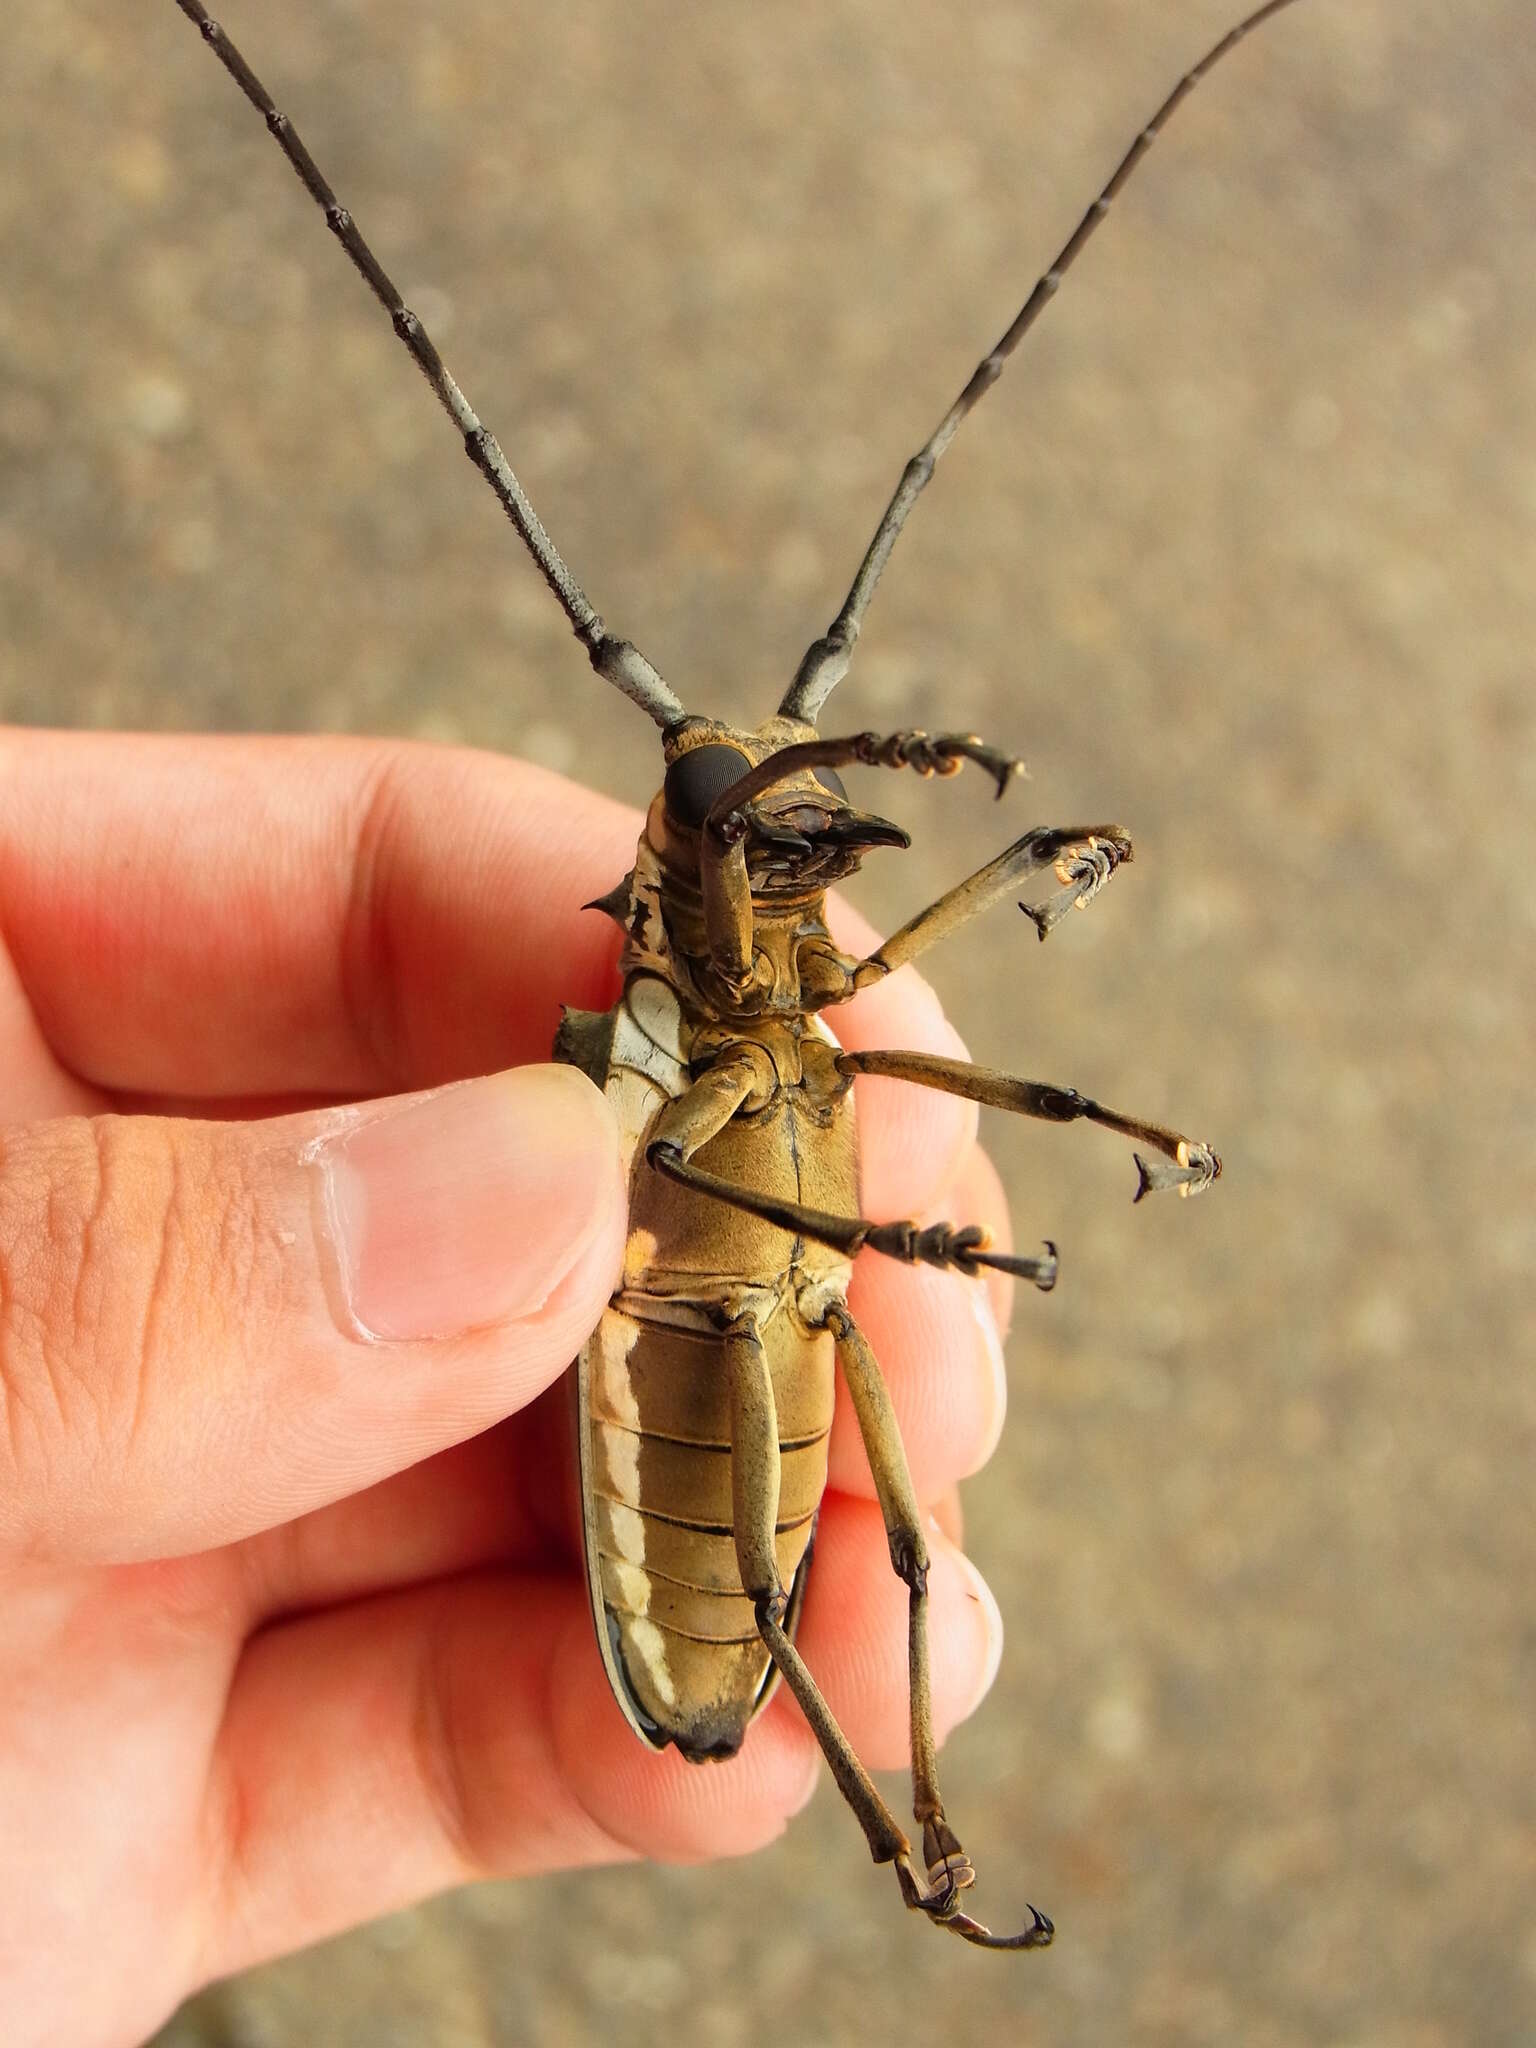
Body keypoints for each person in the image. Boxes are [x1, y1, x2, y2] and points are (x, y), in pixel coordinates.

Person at [0, 732, 1017, 2046]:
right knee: (805, 1593)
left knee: (907, 1569)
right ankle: (912, 1831)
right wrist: (891, 1242)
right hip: (684, 1357)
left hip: (783, 1327)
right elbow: (690, 1168)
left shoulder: (802, 1005)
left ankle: (916, 1805)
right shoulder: (673, 1032)